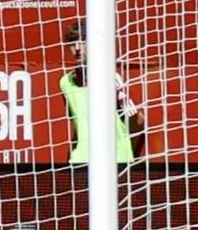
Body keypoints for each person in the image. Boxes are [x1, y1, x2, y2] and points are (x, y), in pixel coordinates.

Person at [60, 18, 144, 164]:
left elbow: (138, 119)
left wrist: (124, 149)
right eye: (73, 44)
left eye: (83, 42)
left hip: (115, 161)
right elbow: (78, 126)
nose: (77, 48)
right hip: (81, 161)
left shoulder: (111, 77)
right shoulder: (65, 83)